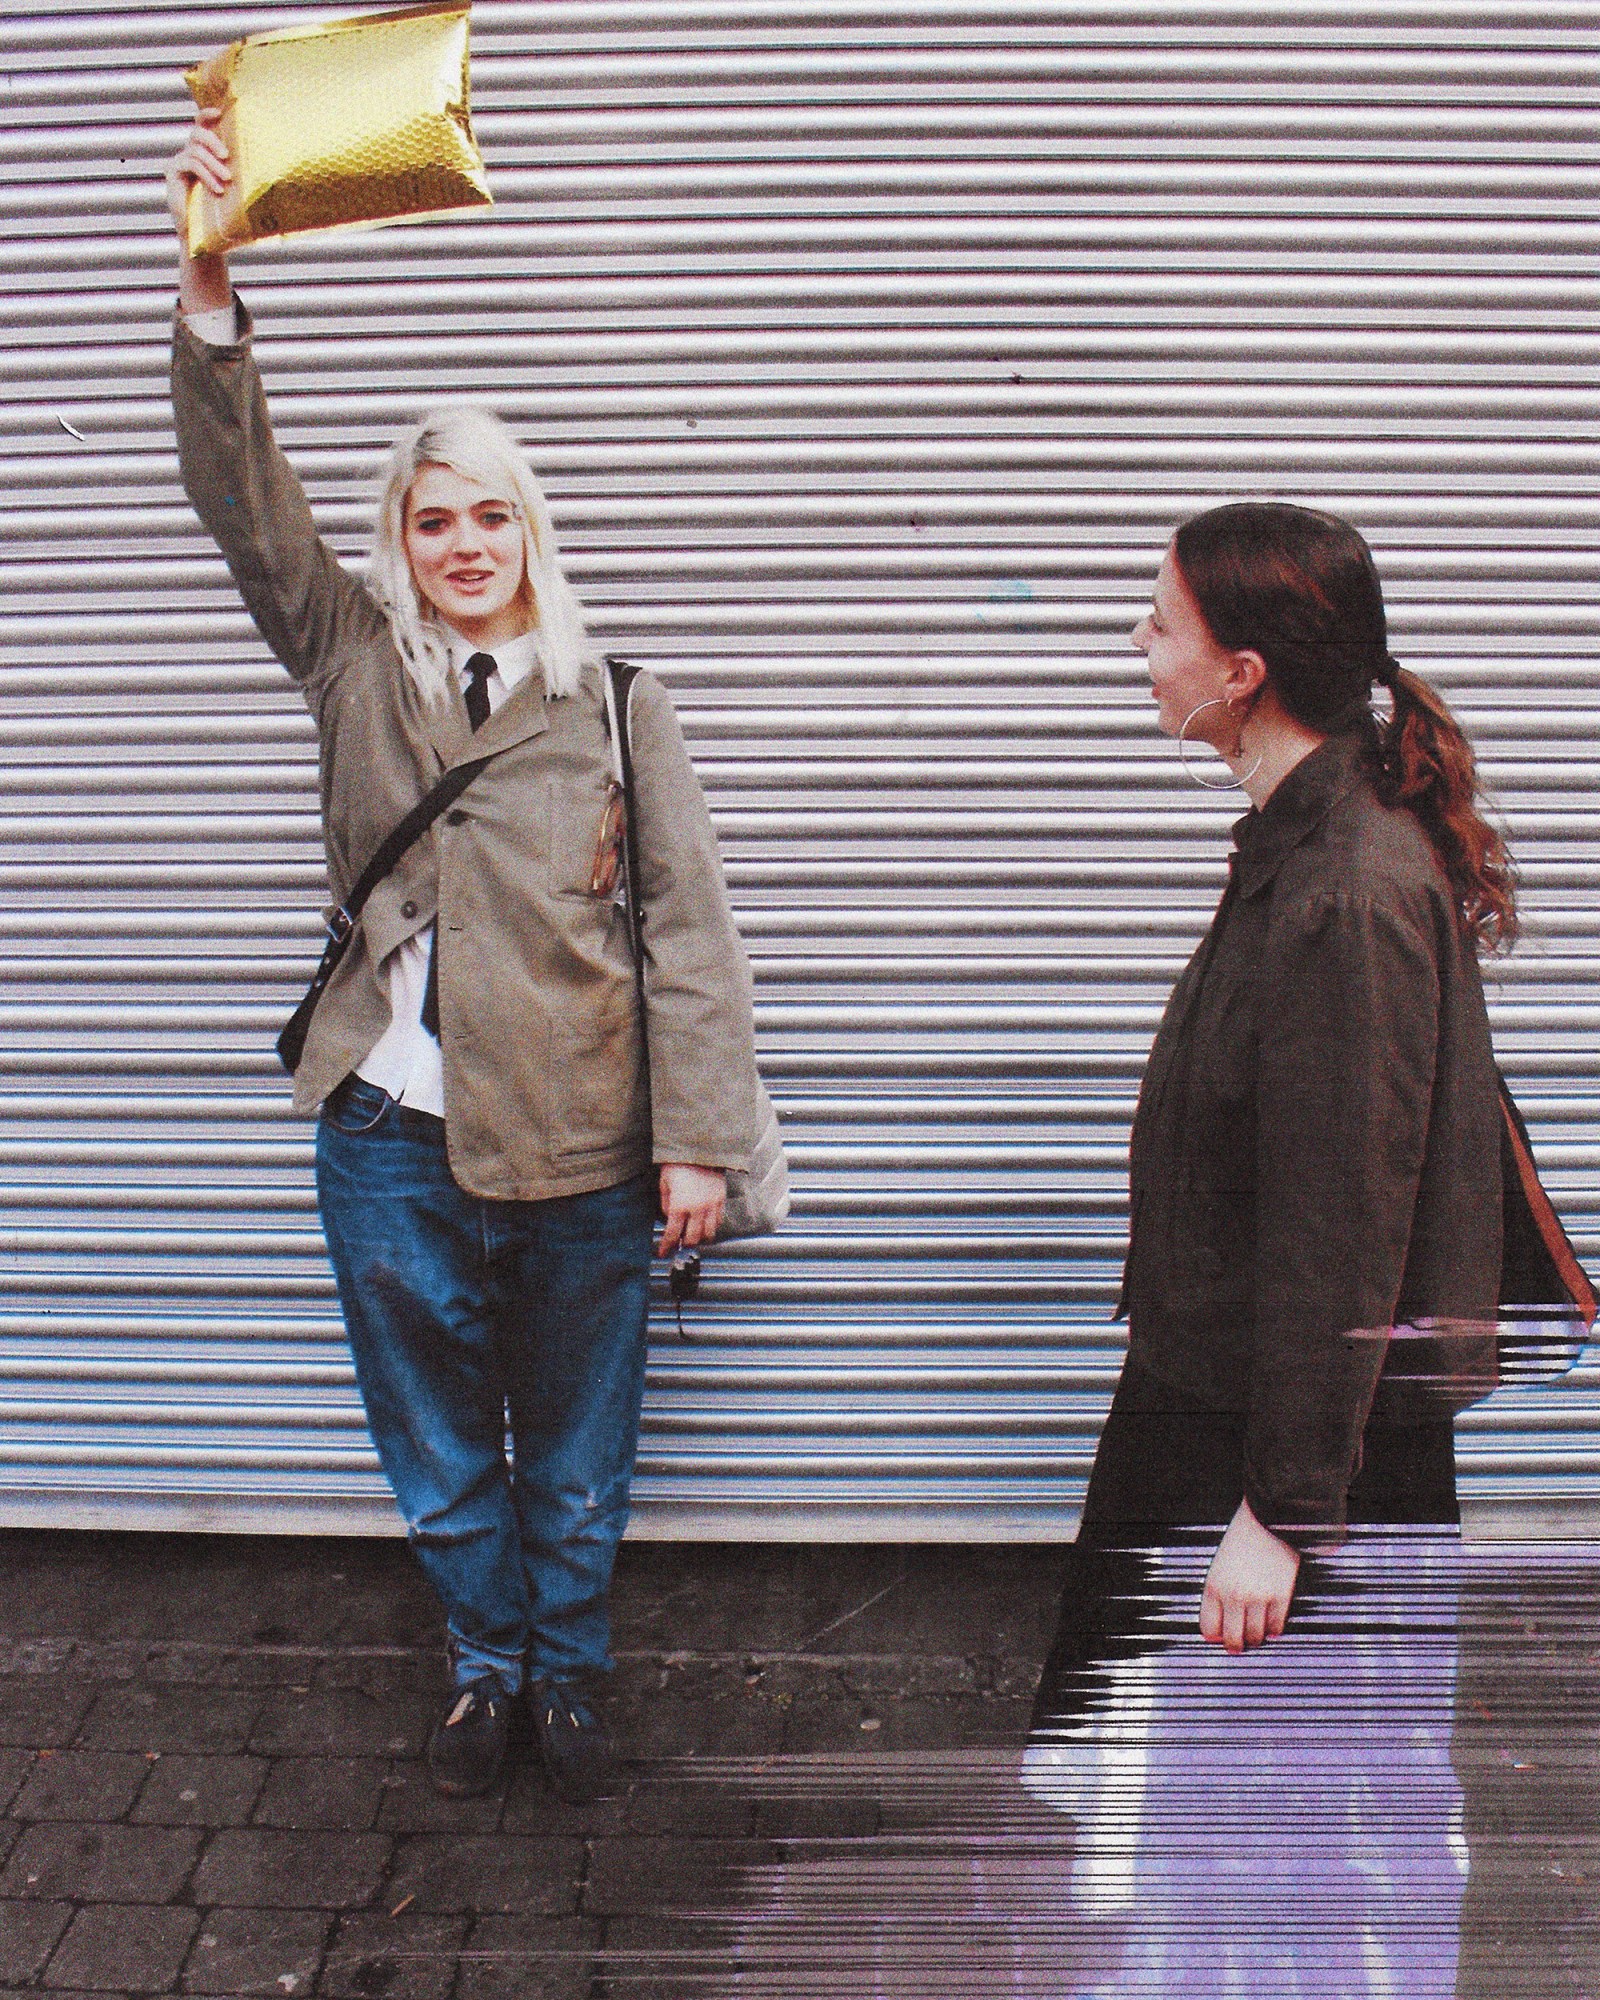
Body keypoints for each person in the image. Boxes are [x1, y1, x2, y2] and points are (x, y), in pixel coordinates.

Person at [165, 110, 767, 1800]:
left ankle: (567, 1681)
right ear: (402, 539)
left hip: (581, 1143)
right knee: (436, 1451)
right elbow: (238, 496)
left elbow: (687, 938)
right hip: (387, 1135)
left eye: (490, 518)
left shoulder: (619, 704)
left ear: (531, 531)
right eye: (434, 522)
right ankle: (483, 1673)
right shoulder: (353, 659)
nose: (463, 548)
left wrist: (701, 1140)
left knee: (574, 1455)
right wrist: (210, 274)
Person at [1054, 498, 1514, 1658]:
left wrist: (1282, 1511)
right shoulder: (1304, 840)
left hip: (1274, 1447)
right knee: (1192, 1803)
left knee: (1284, 1804)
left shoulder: (1344, 891)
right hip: (1223, 1396)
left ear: (1242, 672)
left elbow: (1341, 1224)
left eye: (1160, 626)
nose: (1137, 646)